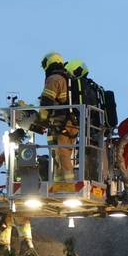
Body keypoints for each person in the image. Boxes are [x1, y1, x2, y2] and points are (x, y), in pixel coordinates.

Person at [38, 52, 76, 182]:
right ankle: (59, 182)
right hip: (73, 122)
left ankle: (68, 185)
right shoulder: (68, 78)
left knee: (62, 153)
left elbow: (47, 101)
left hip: (61, 122)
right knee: (62, 155)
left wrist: (41, 119)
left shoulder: (54, 79)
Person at [65, 59, 103, 181]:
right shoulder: (91, 87)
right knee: (88, 152)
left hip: (85, 125)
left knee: (84, 151)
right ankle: (89, 176)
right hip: (93, 126)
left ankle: (80, 177)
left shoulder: (79, 87)